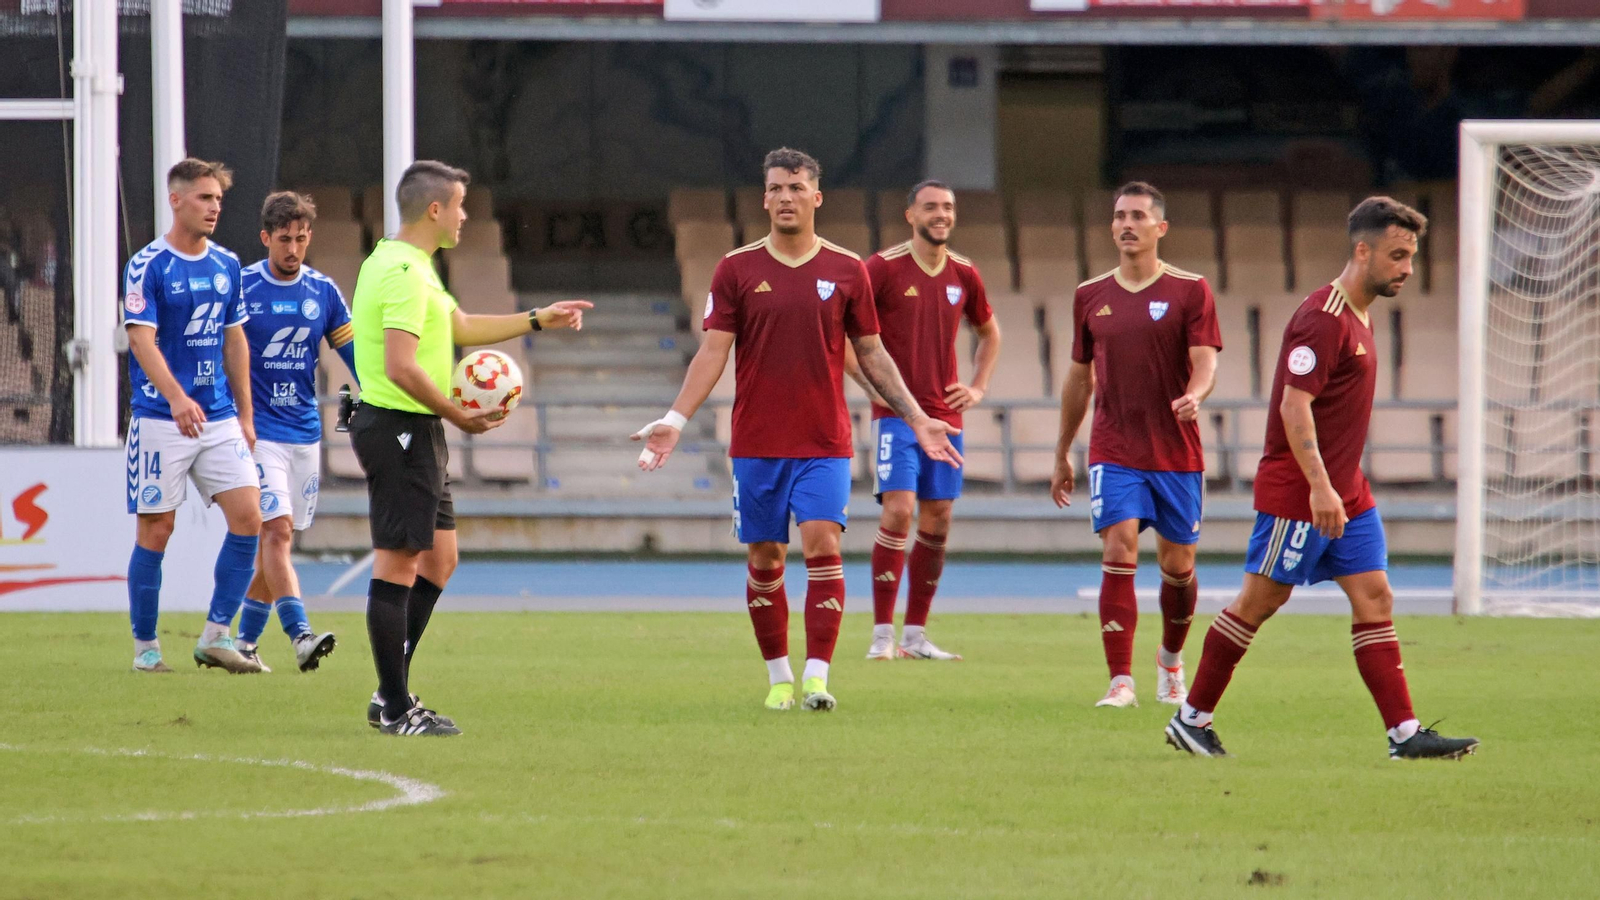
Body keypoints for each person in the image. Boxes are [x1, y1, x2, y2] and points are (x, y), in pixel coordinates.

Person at [632, 148, 961, 713]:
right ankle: (779, 677)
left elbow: (873, 355)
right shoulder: (736, 269)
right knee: (765, 556)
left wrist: (916, 416)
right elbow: (712, 354)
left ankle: (817, 677)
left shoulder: (846, 269)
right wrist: (674, 419)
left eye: (796, 187)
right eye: (776, 188)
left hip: (823, 442)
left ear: (817, 197)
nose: (785, 196)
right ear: (765, 198)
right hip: (757, 443)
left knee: (823, 544)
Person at [1164, 197, 1480, 761]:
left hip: (1346, 491)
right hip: (1303, 494)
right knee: (1259, 602)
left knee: (1376, 596)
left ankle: (1404, 734)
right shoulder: (1323, 318)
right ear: (1363, 250)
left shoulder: (1359, 315)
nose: (1407, 267)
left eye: (1411, 256)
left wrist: (1338, 485)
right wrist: (1319, 486)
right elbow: (1293, 407)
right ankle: (1191, 718)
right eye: (1397, 255)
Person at [350, 160, 590, 736]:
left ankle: (392, 690)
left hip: (417, 430)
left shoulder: (408, 264)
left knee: (440, 558)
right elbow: (400, 366)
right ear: (435, 209)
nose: (464, 217)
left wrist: (538, 319)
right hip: (401, 427)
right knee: (400, 561)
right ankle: (395, 707)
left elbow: (458, 327)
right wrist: (458, 413)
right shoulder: (404, 272)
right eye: (459, 206)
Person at [1051, 182, 1221, 709]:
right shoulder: (1090, 295)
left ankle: (1170, 660)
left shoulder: (1191, 290)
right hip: (1114, 447)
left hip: (1175, 451)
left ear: (1160, 228)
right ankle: (1119, 680)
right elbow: (1079, 379)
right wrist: (1062, 451)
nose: (1127, 224)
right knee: (1118, 545)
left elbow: (1206, 360)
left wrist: (1195, 394)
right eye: (1120, 215)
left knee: (1178, 566)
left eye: (1139, 216)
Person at [123, 158, 264, 674]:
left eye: (219, 200)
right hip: (162, 419)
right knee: (157, 529)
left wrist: (246, 415)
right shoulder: (147, 265)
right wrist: (178, 398)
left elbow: (234, 340)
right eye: (205, 198)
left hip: (220, 417)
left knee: (251, 518)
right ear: (176, 200)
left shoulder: (227, 264)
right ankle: (146, 647)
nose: (215, 208)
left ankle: (216, 636)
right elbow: (141, 340)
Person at [853, 180, 1000, 661]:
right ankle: (881, 636)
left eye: (948, 207)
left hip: (947, 417)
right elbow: (845, 338)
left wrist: (977, 386)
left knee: (939, 518)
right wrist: (879, 394)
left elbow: (989, 334)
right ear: (910, 214)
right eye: (931, 207)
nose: (941, 214)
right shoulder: (882, 268)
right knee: (898, 510)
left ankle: (915, 636)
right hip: (897, 417)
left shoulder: (964, 273)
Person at [232, 191, 352, 673]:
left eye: (302, 239)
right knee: (276, 533)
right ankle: (301, 636)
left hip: (305, 434)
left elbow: (352, 354)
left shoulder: (322, 292)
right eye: (285, 239)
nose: (294, 249)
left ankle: (240, 644)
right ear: (266, 238)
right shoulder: (240, 288)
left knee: (277, 546)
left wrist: (383, 395)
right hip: (259, 437)